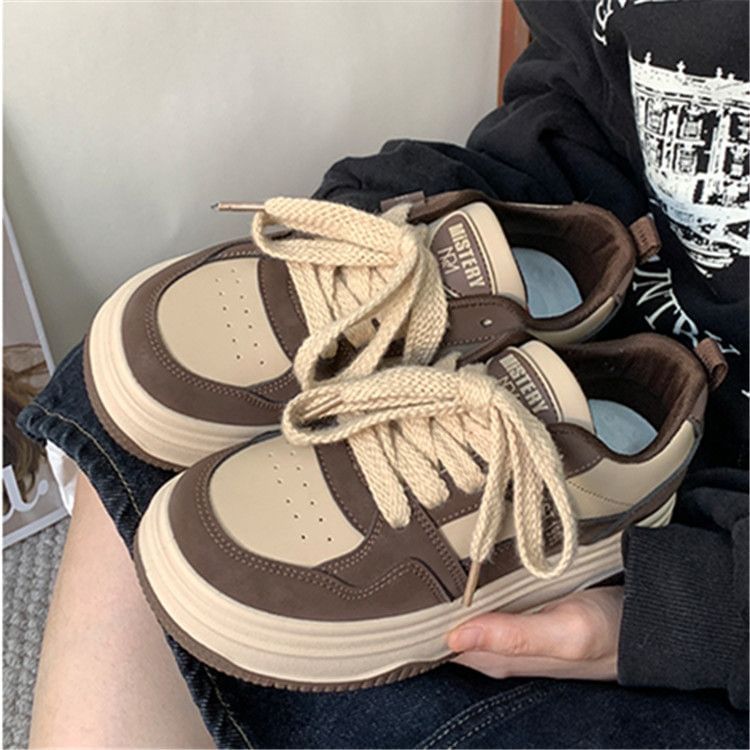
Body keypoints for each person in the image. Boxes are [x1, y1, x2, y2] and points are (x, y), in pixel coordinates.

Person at [22, 0, 747, 747]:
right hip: (582, 308)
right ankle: (525, 330)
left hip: (720, 568)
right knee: (143, 403)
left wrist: (696, 614)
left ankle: (612, 492)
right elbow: (574, 89)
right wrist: (393, 211)